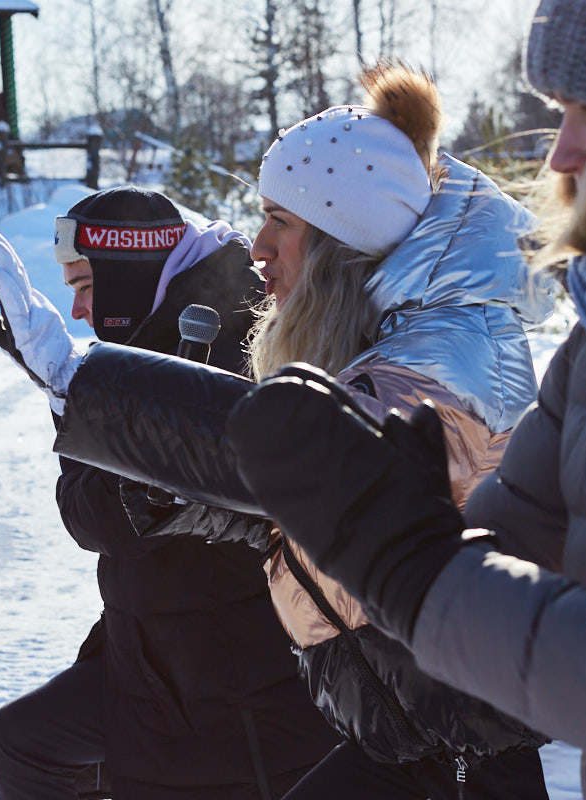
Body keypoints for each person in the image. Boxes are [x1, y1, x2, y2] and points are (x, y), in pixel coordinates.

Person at [220, 0, 586, 797]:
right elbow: (511, 536)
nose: (559, 151)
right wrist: (406, 534)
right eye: (558, 114)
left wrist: (415, 569)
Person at [42, 64, 555, 798]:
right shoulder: (392, 345)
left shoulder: (428, 367)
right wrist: (154, 488)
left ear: (345, 239)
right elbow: (306, 513)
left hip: (464, 749)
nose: (257, 246)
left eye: (281, 221)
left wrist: (95, 388)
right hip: (412, 730)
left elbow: (295, 467)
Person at [0, 187, 339, 799]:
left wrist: (82, 399)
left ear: (130, 267)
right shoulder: (133, 353)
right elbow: (84, 512)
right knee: (21, 739)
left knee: (28, 742)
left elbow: (116, 519)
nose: (80, 310)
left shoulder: (241, 338)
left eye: (86, 284)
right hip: (159, 655)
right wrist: (72, 397)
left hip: (238, 674)